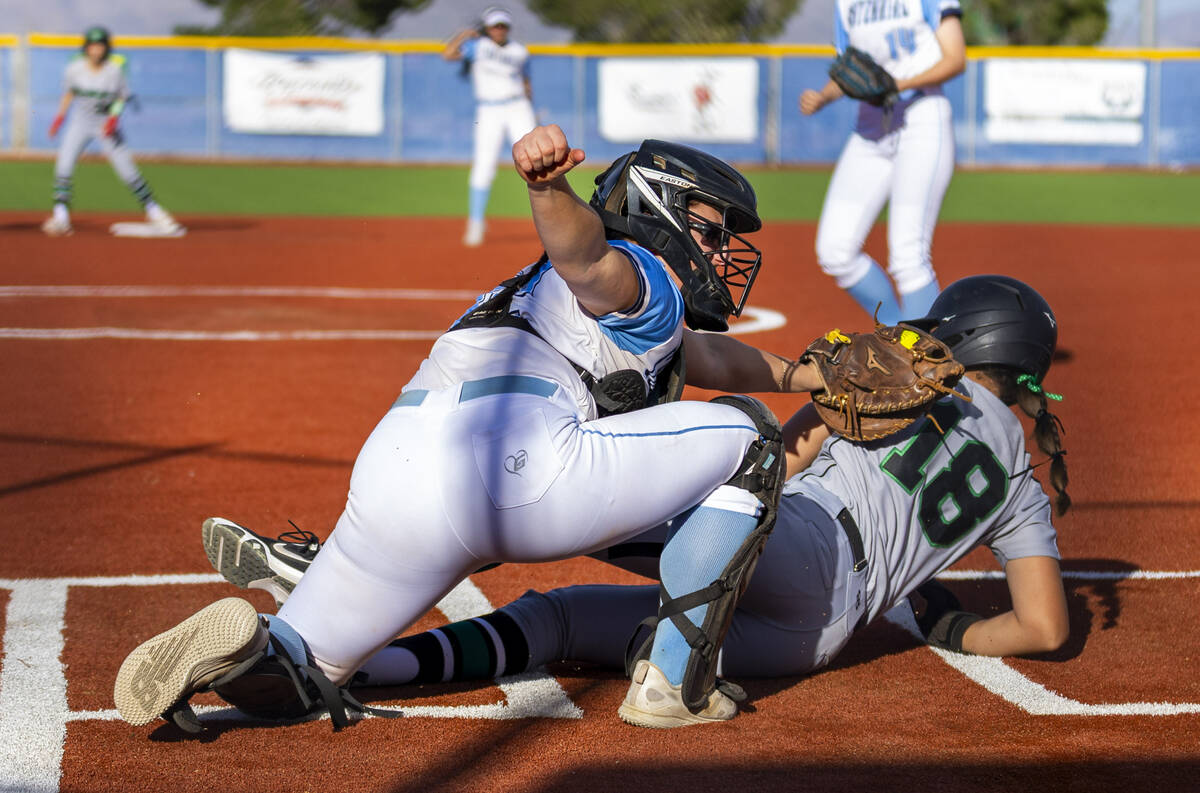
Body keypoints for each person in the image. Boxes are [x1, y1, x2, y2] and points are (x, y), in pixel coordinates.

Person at [114, 124, 831, 733]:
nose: (719, 252)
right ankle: (673, 685)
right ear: (657, 209)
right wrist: (549, 189)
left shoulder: (566, 301)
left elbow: (700, 353)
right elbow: (585, 258)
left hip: (394, 468)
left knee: (306, 668)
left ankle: (253, 653)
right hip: (517, 474)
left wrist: (806, 375)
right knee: (749, 438)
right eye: (710, 230)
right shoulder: (644, 274)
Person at [217, 275, 1070, 714]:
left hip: (795, 539)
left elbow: (788, 458)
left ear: (959, 340)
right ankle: (359, 665)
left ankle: (332, 566)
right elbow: (1042, 628)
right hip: (819, 633)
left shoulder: (910, 381)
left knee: (643, 470)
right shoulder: (1022, 479)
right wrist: (940, 619)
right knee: (555, 624)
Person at [800, 0, 966, 324]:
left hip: (921, 116)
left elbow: (955, 58)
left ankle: (923, 360)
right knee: (835, 251)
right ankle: (895, 336)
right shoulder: (846, 4)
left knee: (908, 256)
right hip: (870, 125)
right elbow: (852, 73)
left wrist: (897, 85)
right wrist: (824, 95)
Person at [41, 26, 183, 238]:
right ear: (86, 48)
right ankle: (61, 217)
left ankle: (155, 212)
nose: (96, 50)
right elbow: (68, 94)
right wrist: (59, 118)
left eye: (100, 46)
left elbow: (121, 97)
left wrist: (113, 119)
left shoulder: (114, 70)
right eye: (92, 46)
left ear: (106, 48)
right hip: (80, 122)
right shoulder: (75, 68)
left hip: (105, 124)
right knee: (64, 165)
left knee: (127, 169)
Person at [442, 6, 537, 247]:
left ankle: (549, 219)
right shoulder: (479, 47)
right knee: (484, 164)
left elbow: (525, 81)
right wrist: (464, 35)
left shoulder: (519, 51)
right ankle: (475, 222)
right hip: (489, 109)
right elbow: (448, 54)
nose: (499, 30)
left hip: (517, 107)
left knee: (535, 159)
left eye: (503, 26)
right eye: (495, 26)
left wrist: (530, 105)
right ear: (487, 28)